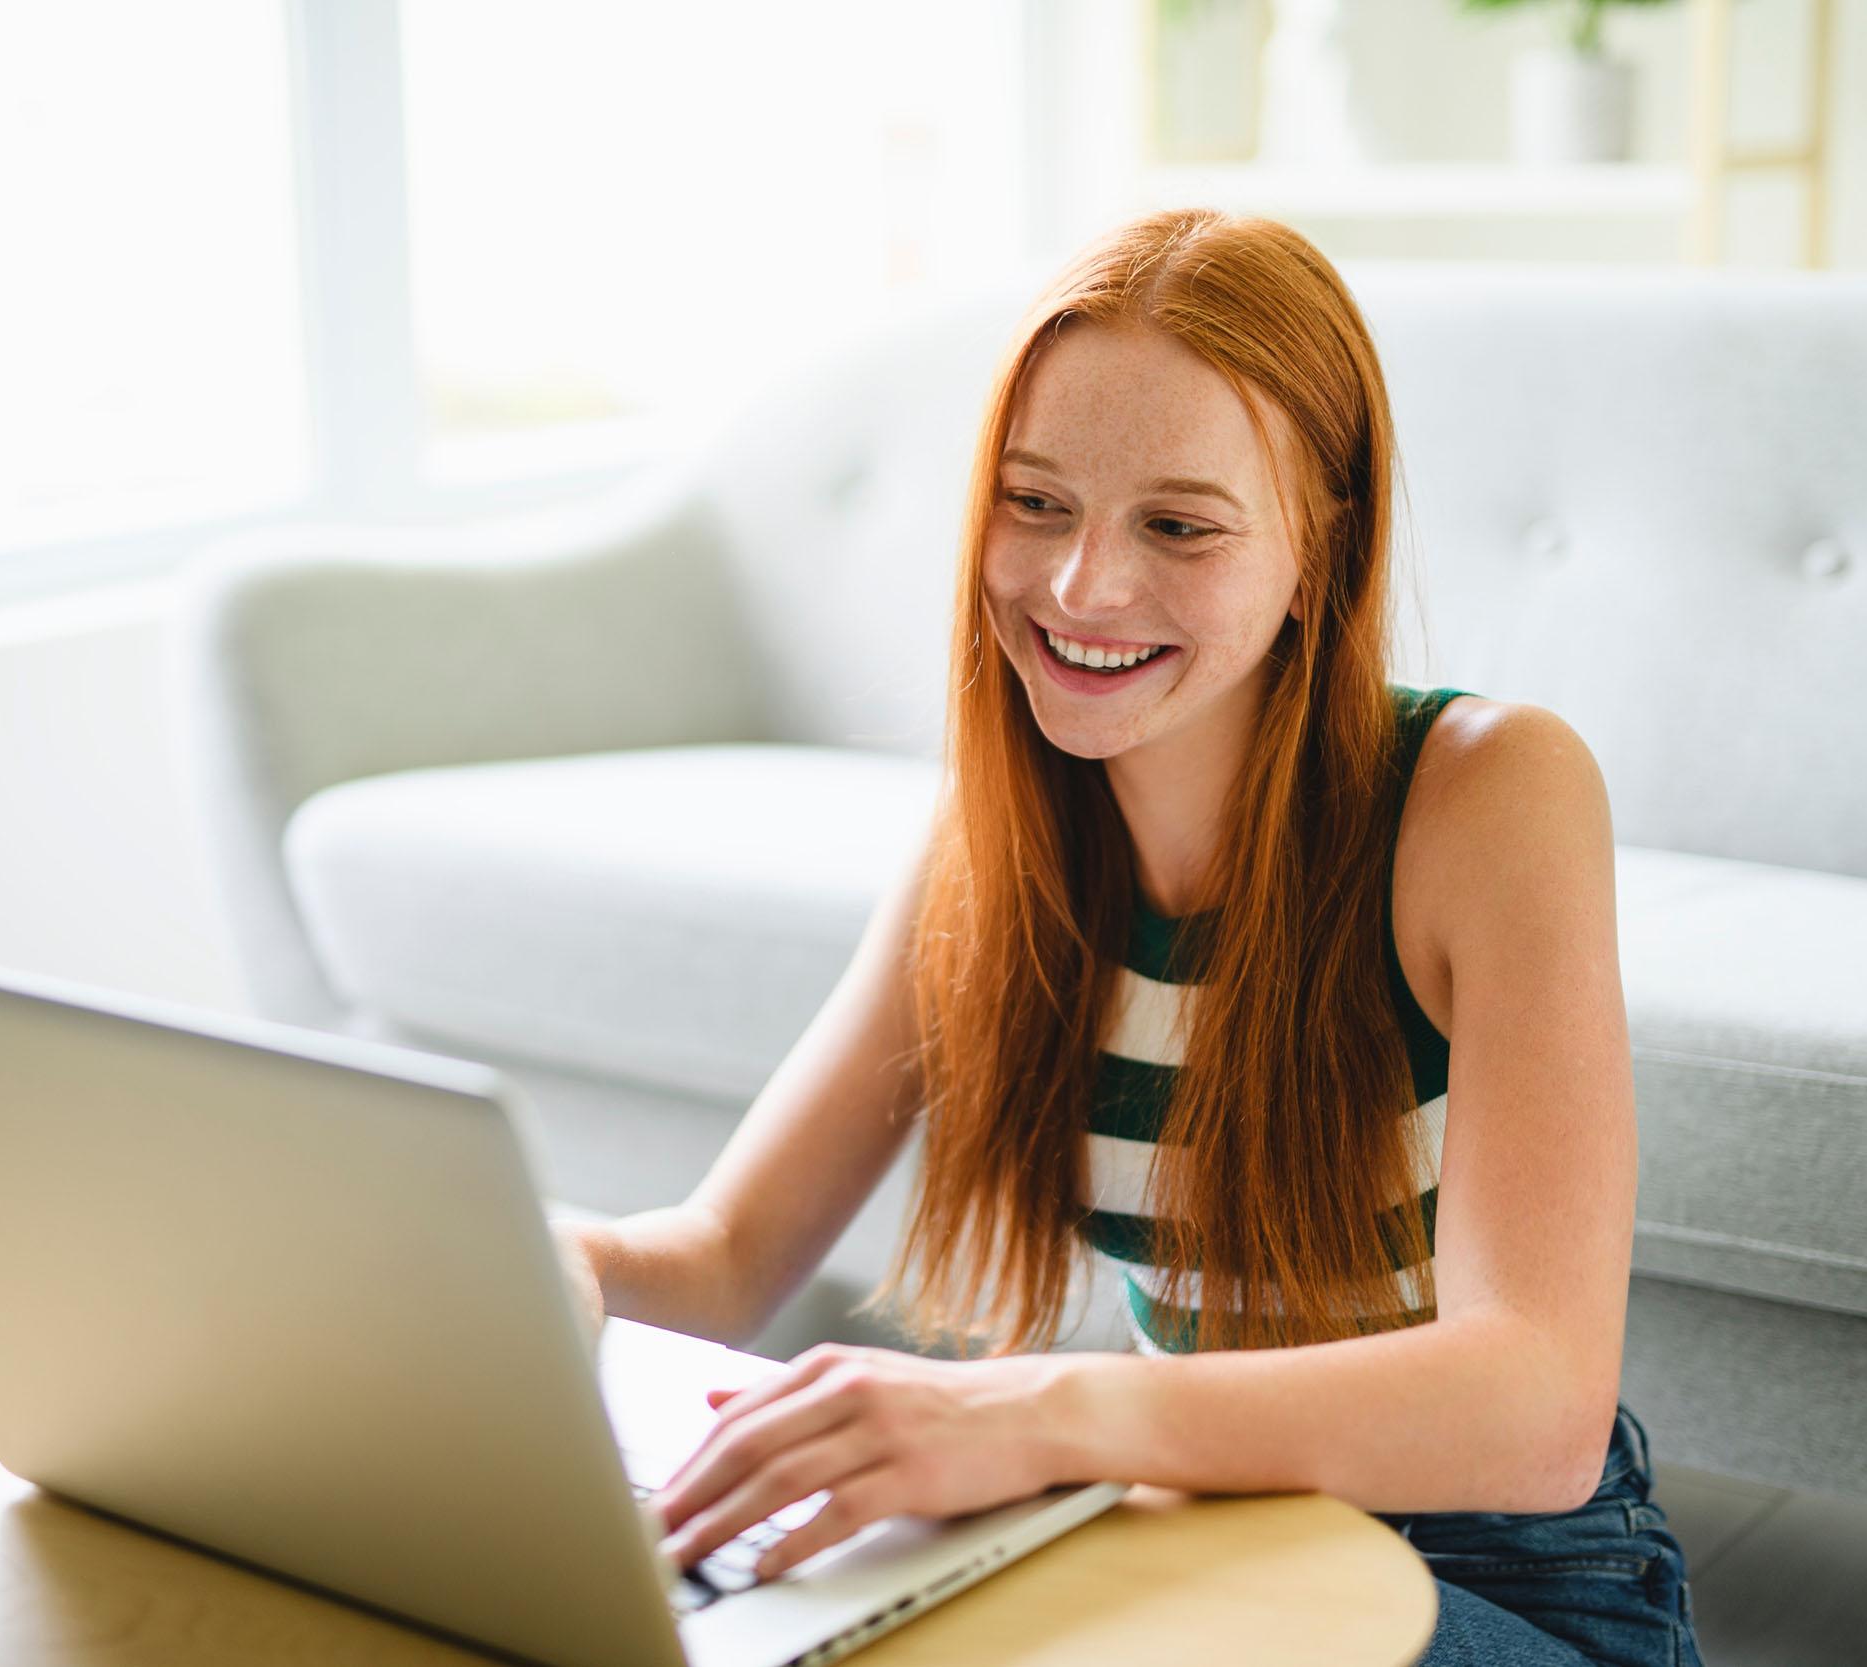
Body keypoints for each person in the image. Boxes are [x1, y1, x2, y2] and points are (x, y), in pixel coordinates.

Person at [550, 207, 1704, 1666]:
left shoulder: (1488, 793)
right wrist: (548, 1258)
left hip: (1511, 1582)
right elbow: (718, 1257)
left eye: (1179, 526)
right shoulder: (1000, 837)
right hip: (1203, 1544)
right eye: (1034, 503)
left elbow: (1536, 1408)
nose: (1083, 588)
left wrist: (1030, 1416)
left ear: (1320, 538)